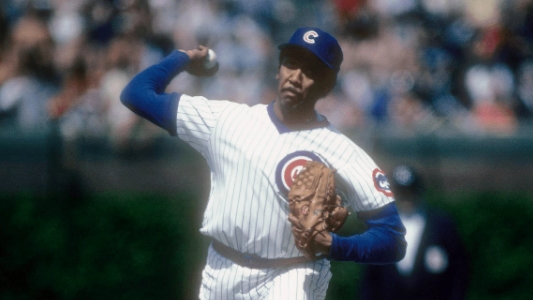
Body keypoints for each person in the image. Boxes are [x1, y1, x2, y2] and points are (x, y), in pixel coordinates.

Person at [120, 27, 407, 300]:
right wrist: (184, 57)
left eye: (310, 70)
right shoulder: (225, 120)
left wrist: (337, 246)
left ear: (327, 85)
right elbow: (137, 94)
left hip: (293, 272)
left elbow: (392, 238)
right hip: (222, 269)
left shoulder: (343, 151)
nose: (296, 76)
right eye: (291, 64)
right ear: (278, 68)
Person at [360, 165, 470, 300]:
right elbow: (370, 279)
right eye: (401, 192)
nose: (406, 197)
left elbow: (459, 272)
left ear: (419, 191)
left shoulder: (441, 226)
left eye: (410, 191)